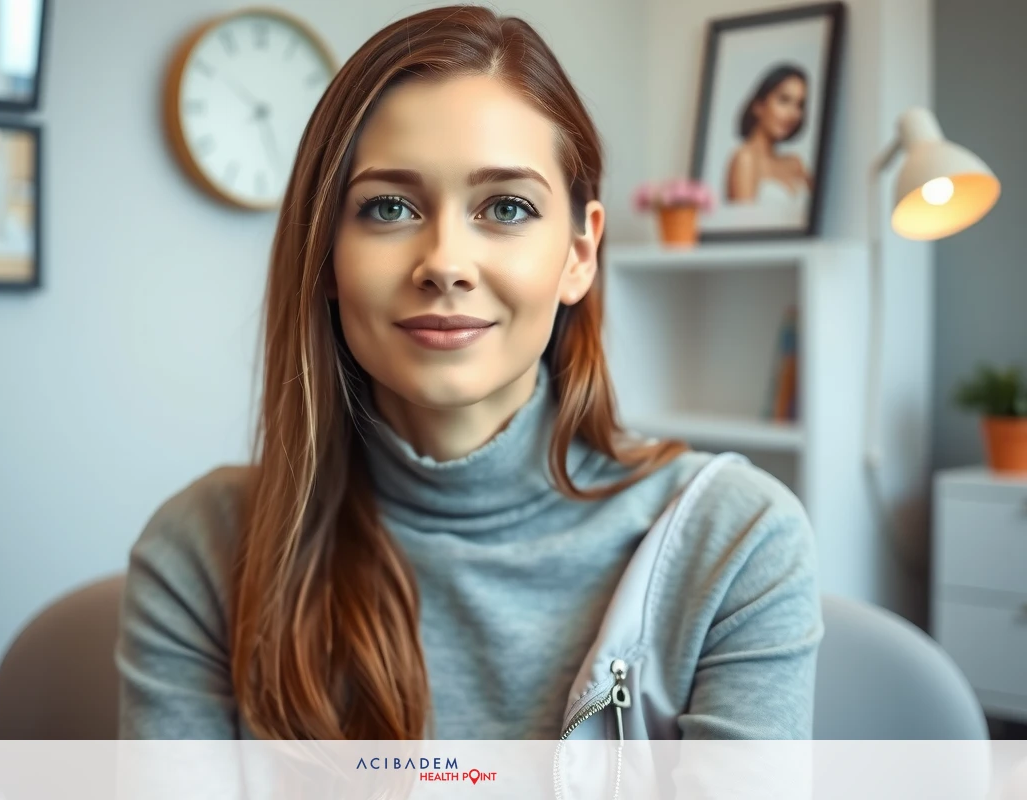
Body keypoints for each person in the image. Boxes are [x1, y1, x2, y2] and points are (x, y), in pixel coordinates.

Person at [116, 5, 824, 742]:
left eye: (507, 207)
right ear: (325, 254)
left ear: (579, 254)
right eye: (388, 207)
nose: (446, 264)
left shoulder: (736, 540)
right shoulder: (202, 549)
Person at [725, 64, 813, 204]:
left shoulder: (796, 164)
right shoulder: (745, 158)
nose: (793, 114)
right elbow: (743, 223)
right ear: (759, 106)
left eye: (799, 105)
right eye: (784, 100)